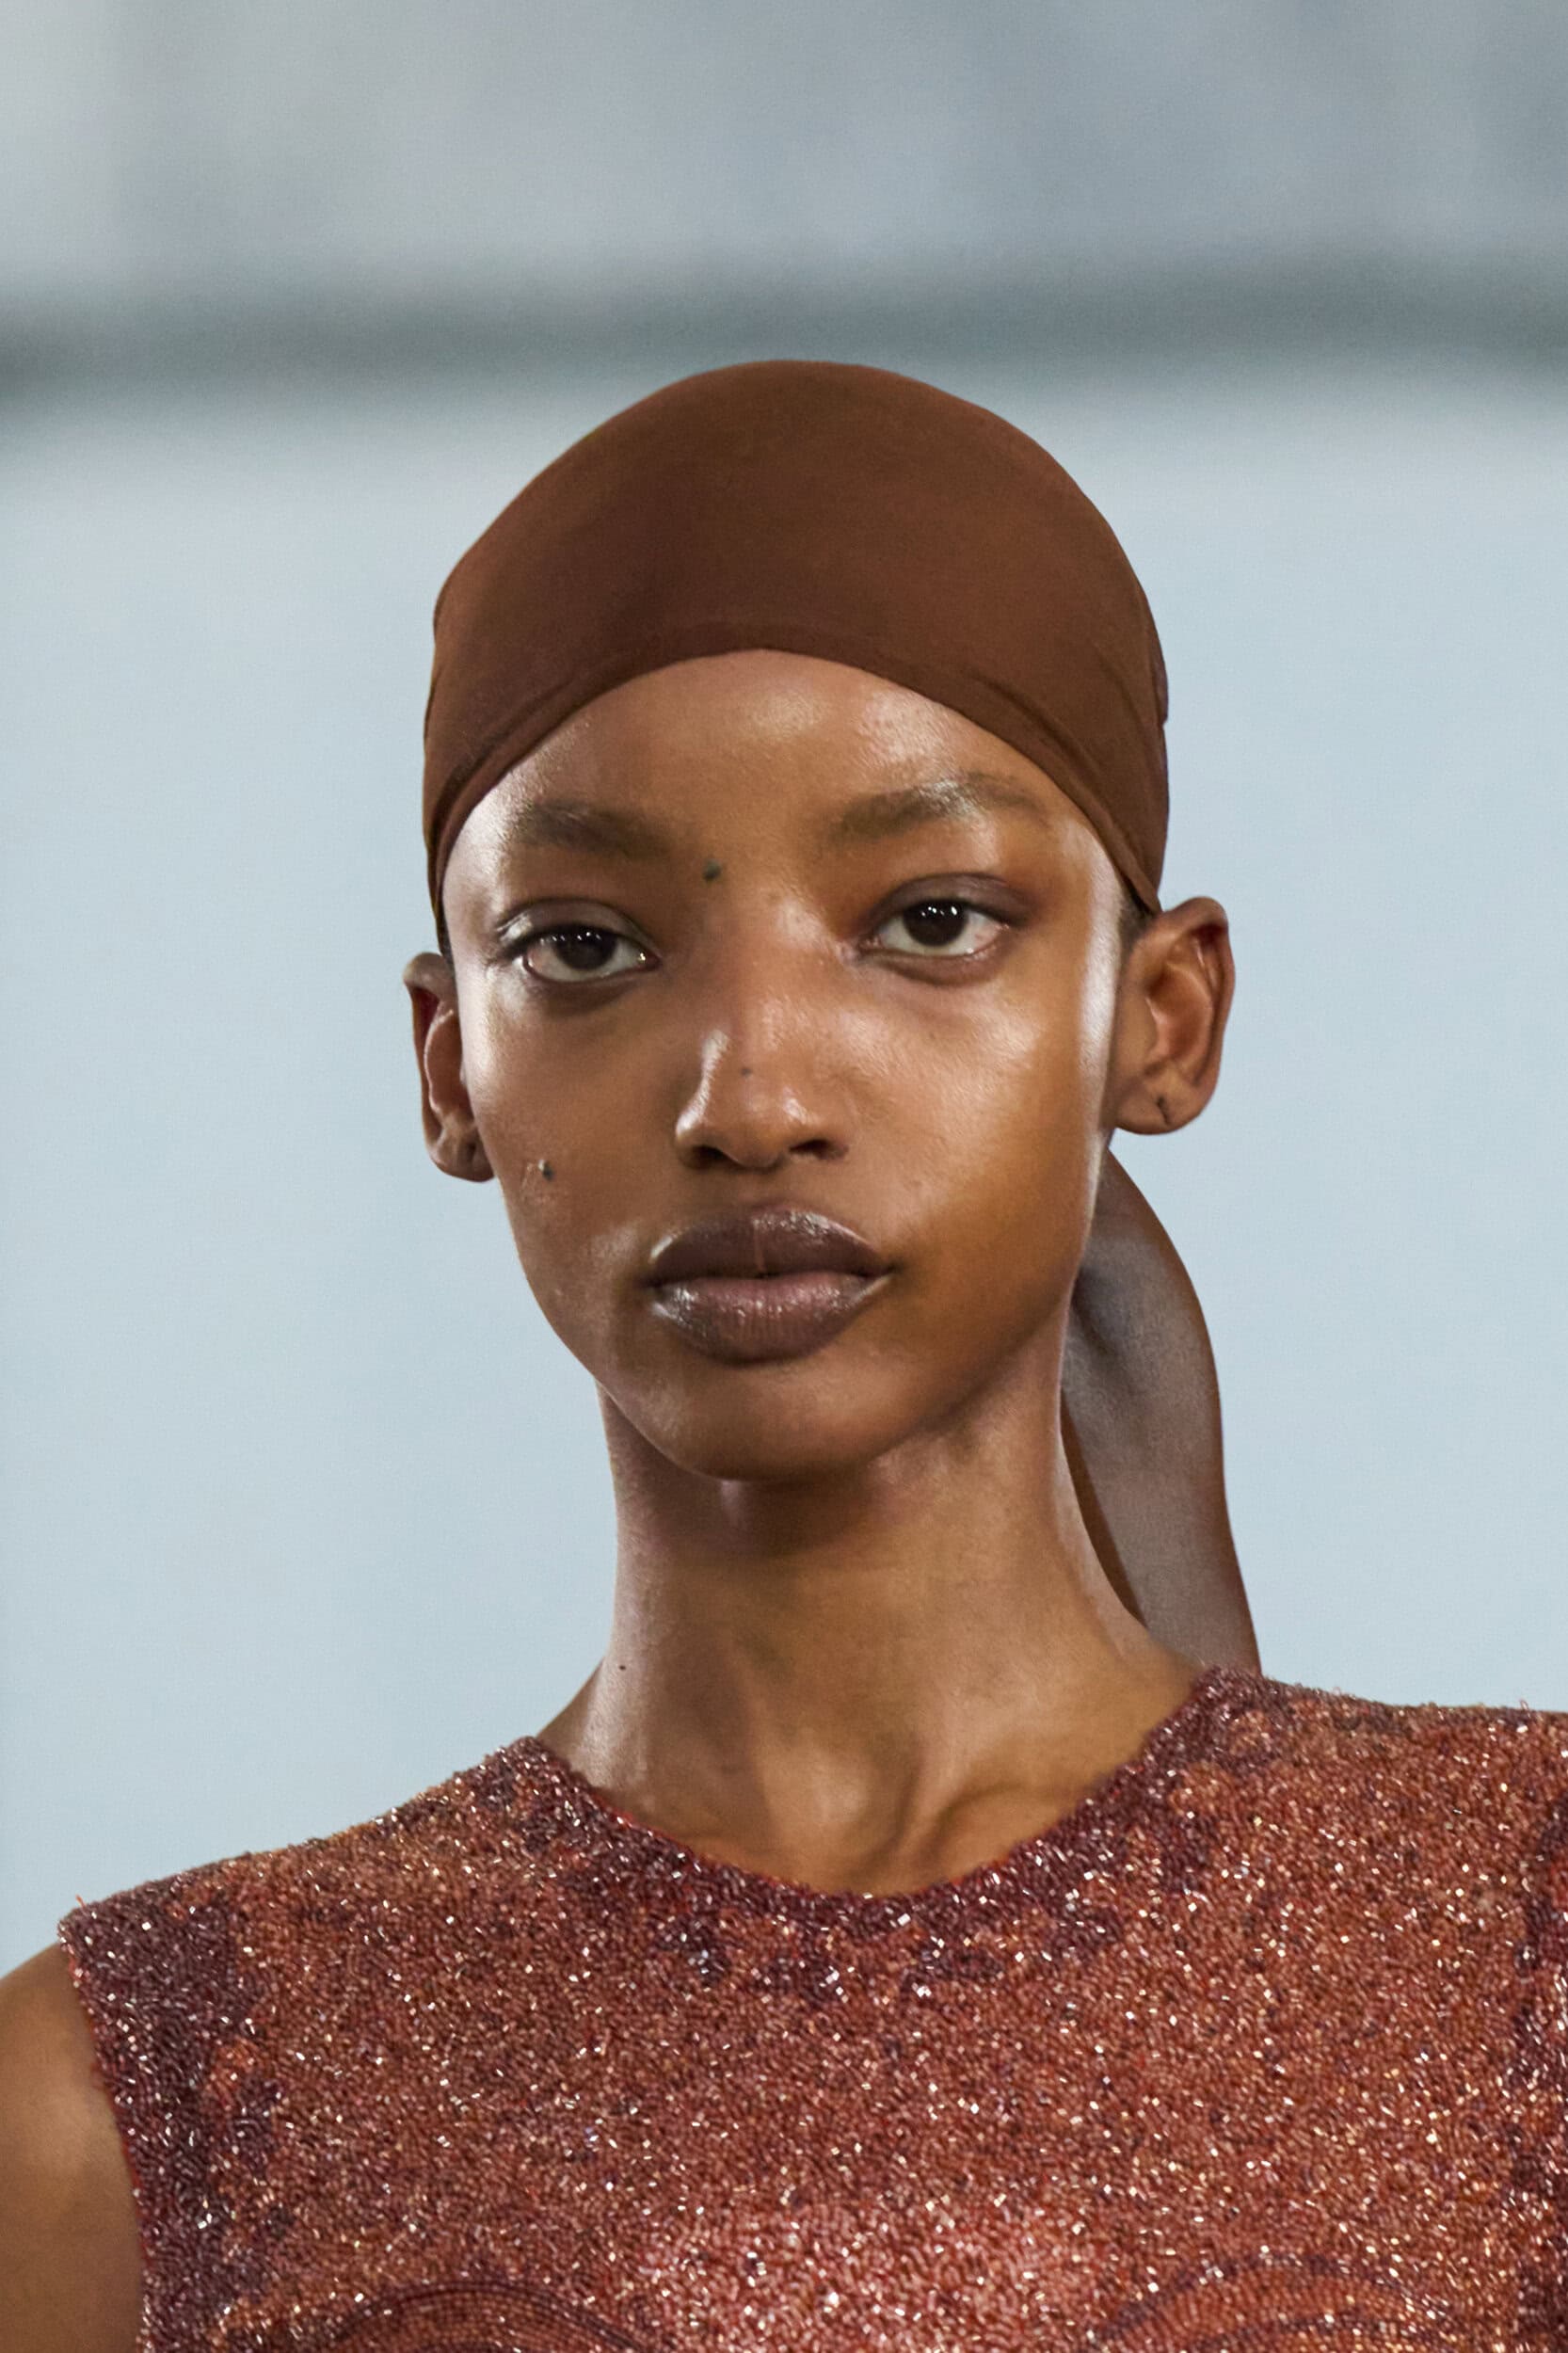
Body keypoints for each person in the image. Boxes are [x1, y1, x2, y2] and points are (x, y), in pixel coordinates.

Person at [0, 360, 1557, 2351]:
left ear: (1159, 1017)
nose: (750, 1099)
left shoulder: (1519, 1949)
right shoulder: (120, 2120)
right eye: (583, 946)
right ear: (447, 1062)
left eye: (931, 920)